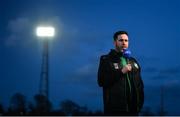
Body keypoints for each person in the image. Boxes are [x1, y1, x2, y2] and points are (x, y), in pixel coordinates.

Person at [97, 31, 144, 116]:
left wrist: (140, 104)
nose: (124, 43)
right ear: (115, 42)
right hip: (115, 110)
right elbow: (101, 81)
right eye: (121, 40)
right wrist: (121, 72)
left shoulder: (133, 61)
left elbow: (140, 85)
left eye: (126, 40)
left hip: (134, 110)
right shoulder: (106, 59)